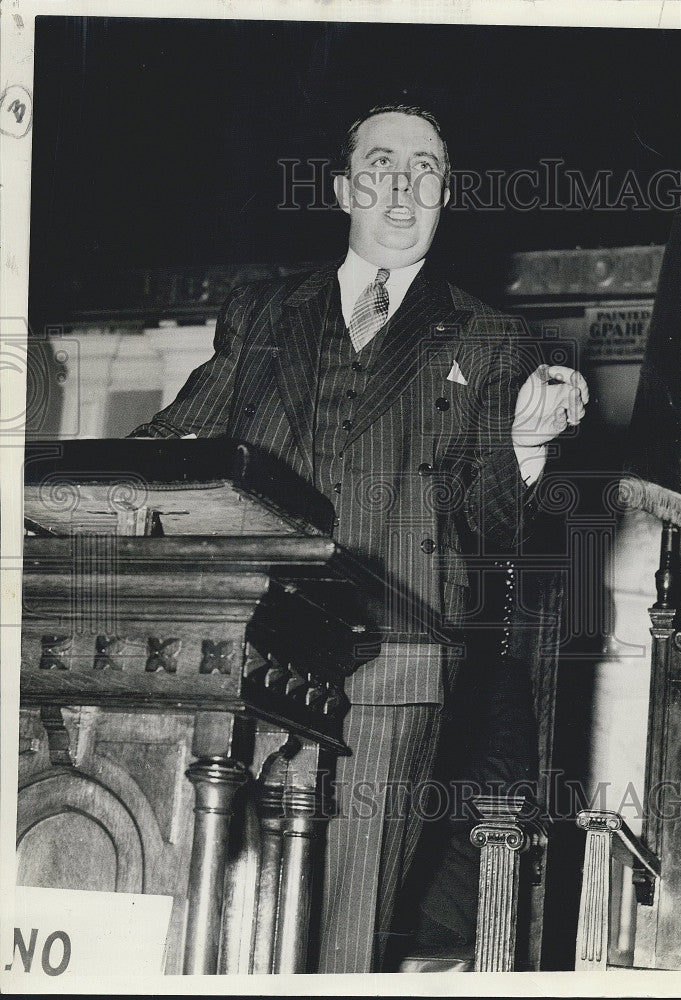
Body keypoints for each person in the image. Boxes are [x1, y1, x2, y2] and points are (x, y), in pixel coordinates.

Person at [132, 104, 588, 973]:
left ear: (446, 195)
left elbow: (493, 526)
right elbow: (178, 443)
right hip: (245, 650)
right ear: (343, 189)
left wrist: (526, 444)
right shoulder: (263, 312)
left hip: (396, 663)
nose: (403, 187)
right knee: (210, 907)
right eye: (382, 165)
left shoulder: (494, 339)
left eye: (425, 171)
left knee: (341, 928)